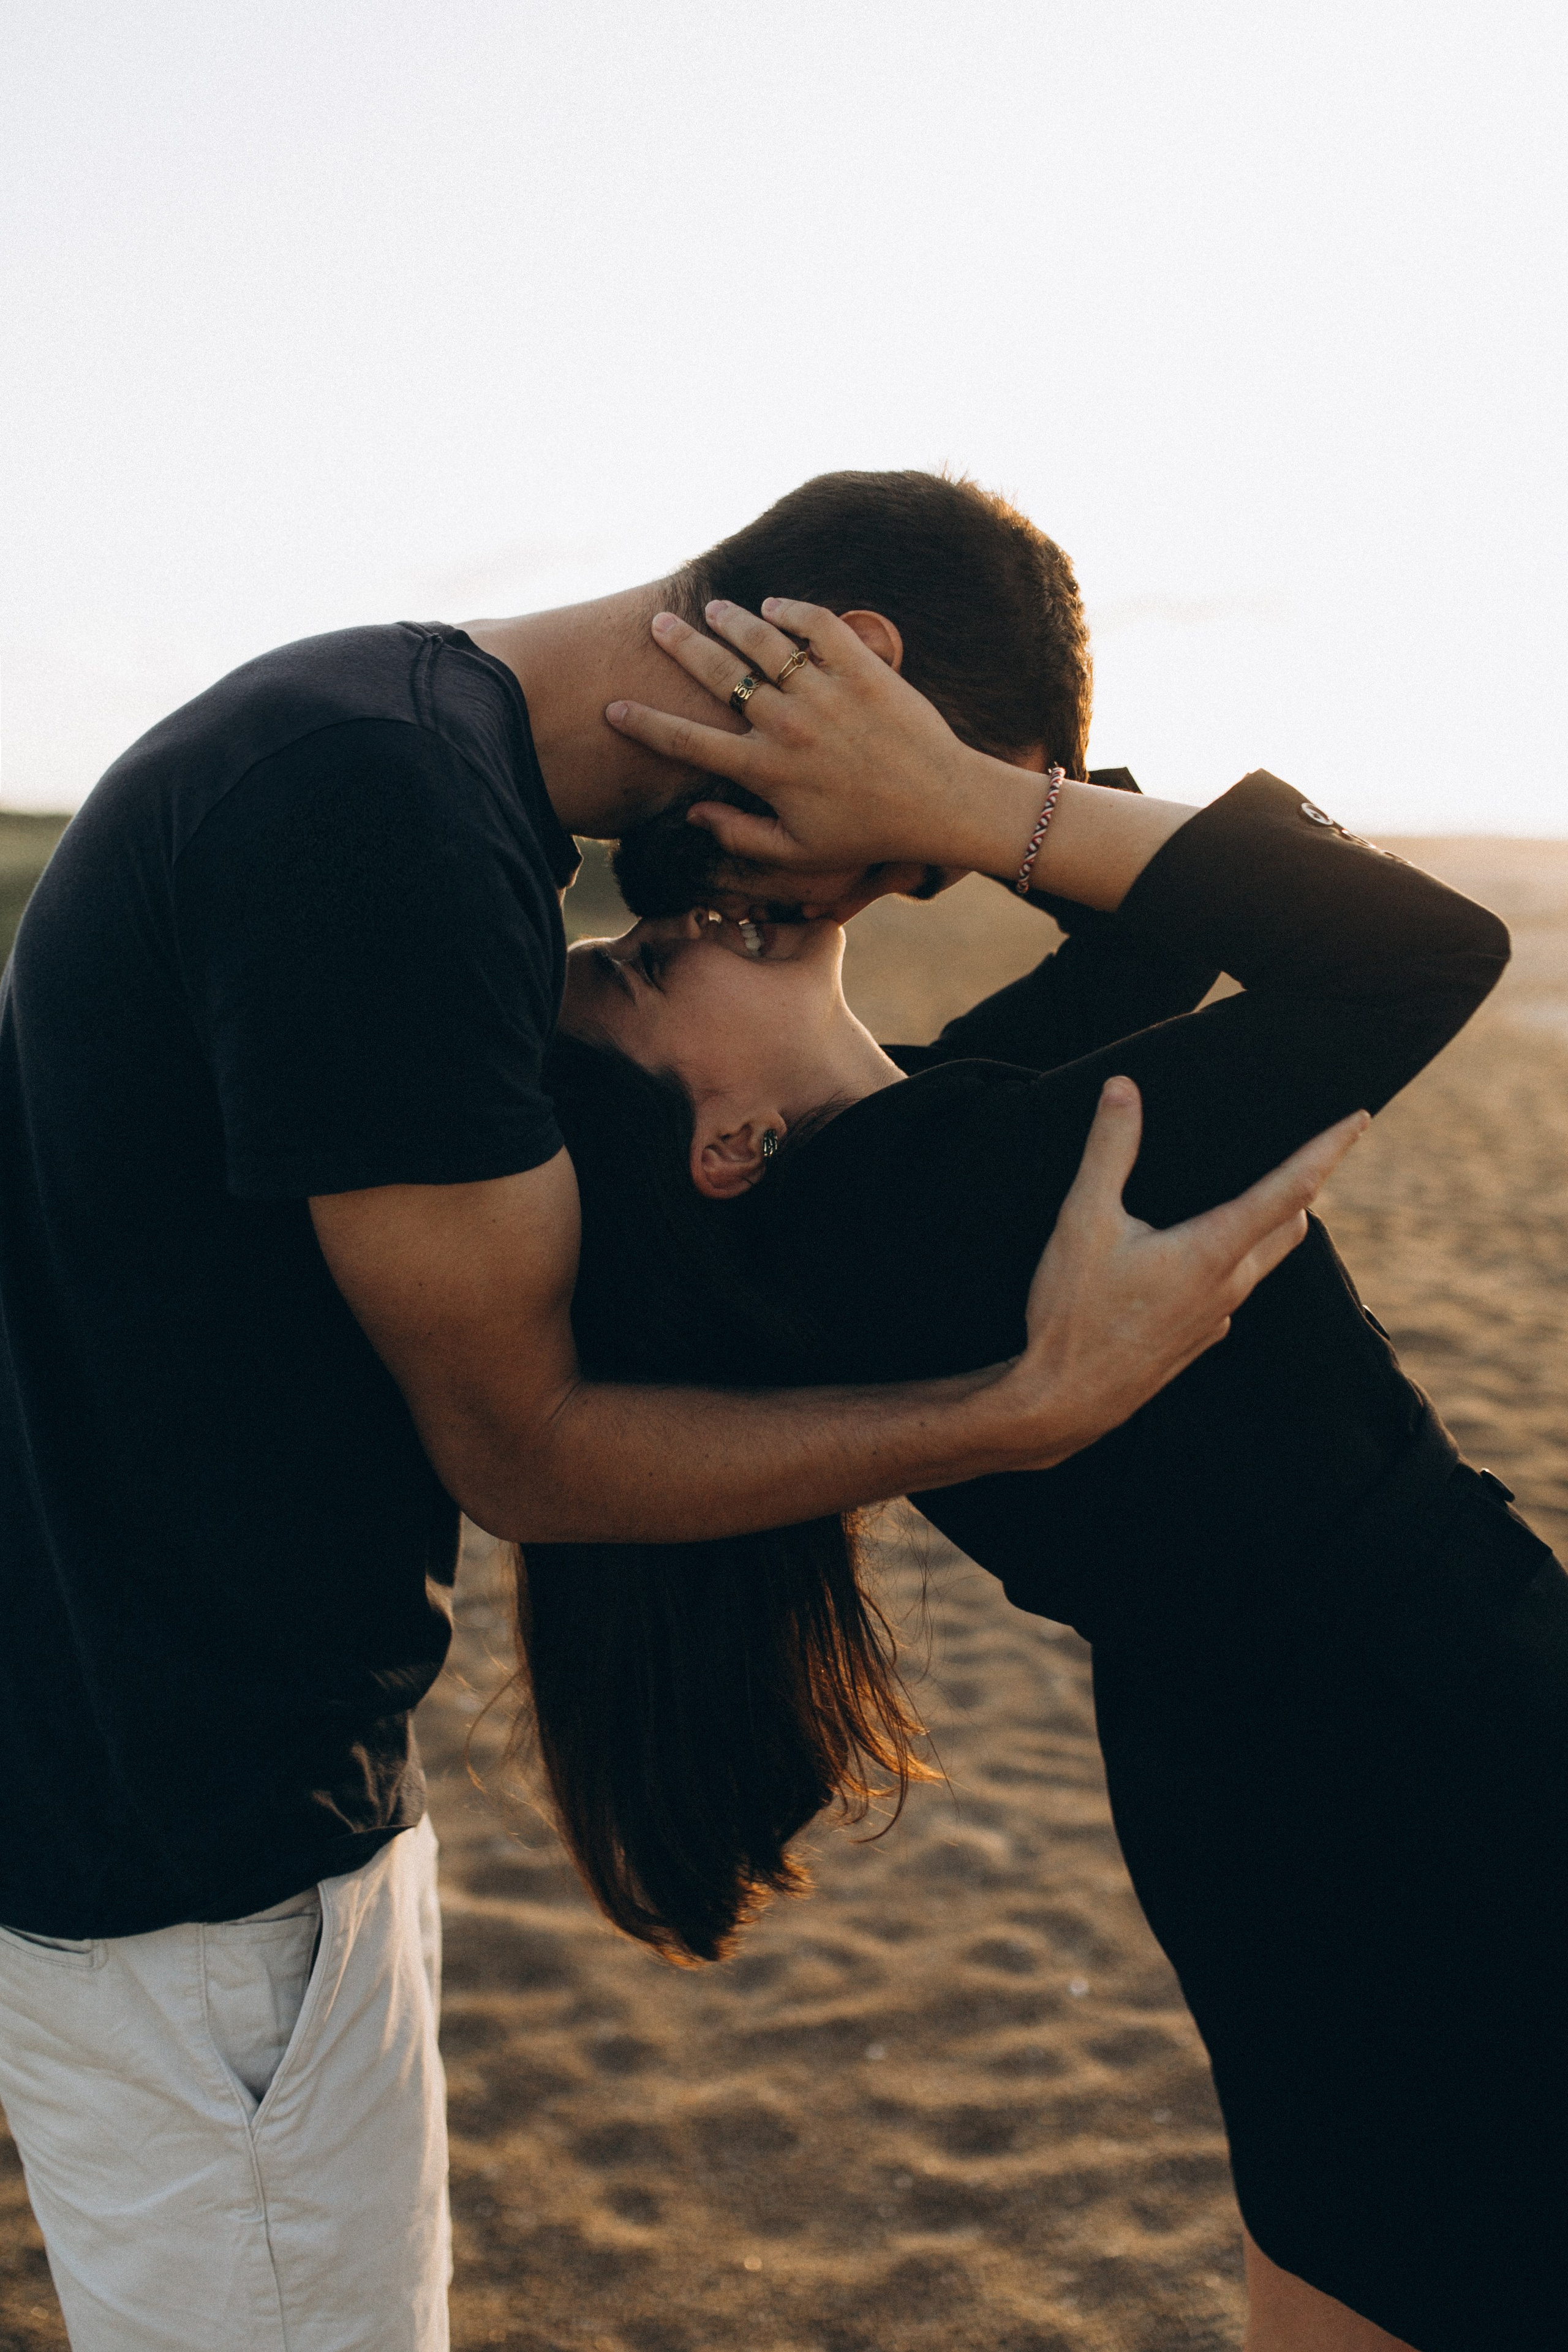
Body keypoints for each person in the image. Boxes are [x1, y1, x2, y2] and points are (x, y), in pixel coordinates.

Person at [0, 473, 1351, 2352]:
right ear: (849, 663)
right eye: (903, 839)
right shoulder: (376, 822)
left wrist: (1002, 804)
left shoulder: (401, 769)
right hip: (191, 1864)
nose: (866, 898)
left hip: (244, 1817)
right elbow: (523, 1450)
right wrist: (1012, 1409)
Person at [531, 597, 1568, 2352]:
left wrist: (911, 812)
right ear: (722, 1141)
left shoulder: (887, 1179)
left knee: (1371, 2252)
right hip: (1437, 1754)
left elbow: (1146, 938)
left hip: (1269, 1786)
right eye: (640, 971)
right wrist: (954, 809)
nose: (659, 932)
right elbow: (1416, 948)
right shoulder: (953, 1190)